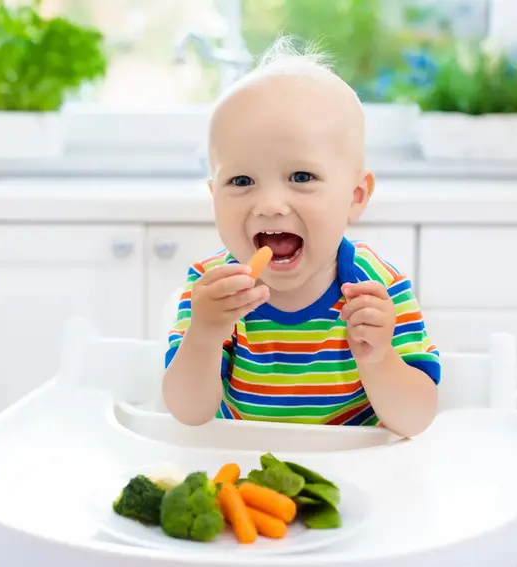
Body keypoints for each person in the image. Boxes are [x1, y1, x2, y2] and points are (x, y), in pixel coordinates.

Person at [161, 38, 440, 438]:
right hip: (244, 467)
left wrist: (379, 358)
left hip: (352, 470)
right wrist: (203, 336)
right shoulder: (212, 291)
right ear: (213, 195)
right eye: (241, 180)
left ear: (355, 196)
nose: (270, 205)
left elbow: (416, 420)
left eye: (301, 176)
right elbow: (188, 414)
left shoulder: (377, 287)